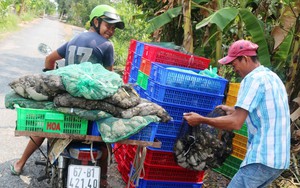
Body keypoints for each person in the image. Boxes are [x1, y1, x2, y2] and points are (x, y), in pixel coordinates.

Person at [11, 4, 124, 188]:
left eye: (113, 28)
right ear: (96, 21)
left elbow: (49, 59)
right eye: (108, 25)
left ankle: (20, 163)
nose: (111, 31)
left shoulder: (74, 39)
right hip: (90, 108)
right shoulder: (107, 46)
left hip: (66, 102)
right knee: (104, 138)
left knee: (45, 128)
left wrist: (50, 79)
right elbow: (109, 79)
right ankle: (103, 179)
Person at [183, 39, 290, 188]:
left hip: (262, 157)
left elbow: (236, 123)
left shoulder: (252, 79)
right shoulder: (272, 77)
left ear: (245, 59)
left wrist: (202, 120)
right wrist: (233, 109)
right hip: (279, 159)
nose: (234, 69)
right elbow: (261, 110)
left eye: (234, 64)